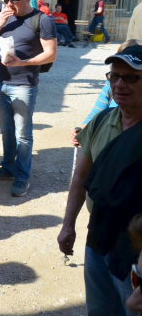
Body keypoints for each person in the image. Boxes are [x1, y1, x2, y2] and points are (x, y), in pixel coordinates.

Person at [57, 43, 142, 316]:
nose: (119, 84)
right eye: (114, 76)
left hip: (135, 249)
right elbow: (80, 176)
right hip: (98, 236)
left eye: (131, 77)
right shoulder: (102, 120)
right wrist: (68, 225)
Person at [0, 0, 57, 197]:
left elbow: (50, 53)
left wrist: (24, 62)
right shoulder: (3, 16)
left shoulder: (42, 20)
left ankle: (22, 178)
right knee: (6, 131)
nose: (8, 4)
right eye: (5, 0)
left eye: (13, 0)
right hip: (1, 83)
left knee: (23, 134)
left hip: (24, 85)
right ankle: (7, 168)